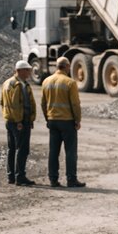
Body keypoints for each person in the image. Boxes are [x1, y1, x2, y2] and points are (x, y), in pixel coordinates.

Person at [41, 56, 86, 188]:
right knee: (70, 152)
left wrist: (47, 118)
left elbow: (43, 103)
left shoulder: (46, 81)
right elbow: (75, 104)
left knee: (53, 151)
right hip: (67, 122)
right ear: (66, 66)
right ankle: (71, 179)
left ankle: (53, 180)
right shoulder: (69, 82)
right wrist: (77, 120)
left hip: (52, 121)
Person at [0, 60, 36, 186]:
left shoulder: (7, 83)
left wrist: (9, 117)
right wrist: (19, 121)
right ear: (19, 70)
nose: (29, 72)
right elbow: (16, 105)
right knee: (22, 149)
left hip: (10, 120)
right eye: (27, 70)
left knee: (12, 148)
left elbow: (2, 103)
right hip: (19, 122)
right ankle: (20, 176)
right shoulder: (18, 85)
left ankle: (11, 176)